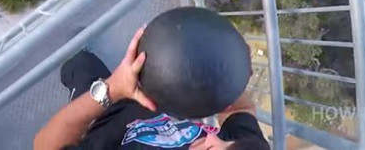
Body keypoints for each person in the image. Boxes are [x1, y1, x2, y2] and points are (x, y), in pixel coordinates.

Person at [34, 27, 269, 149]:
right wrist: (232, 75)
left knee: (80, 65)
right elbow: (241, 111)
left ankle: (64, 56)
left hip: (102, 118)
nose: (210, 136)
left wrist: (112, 88)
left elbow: (45, 145)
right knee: (88, 58)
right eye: (221, 139)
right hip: (149, 101)